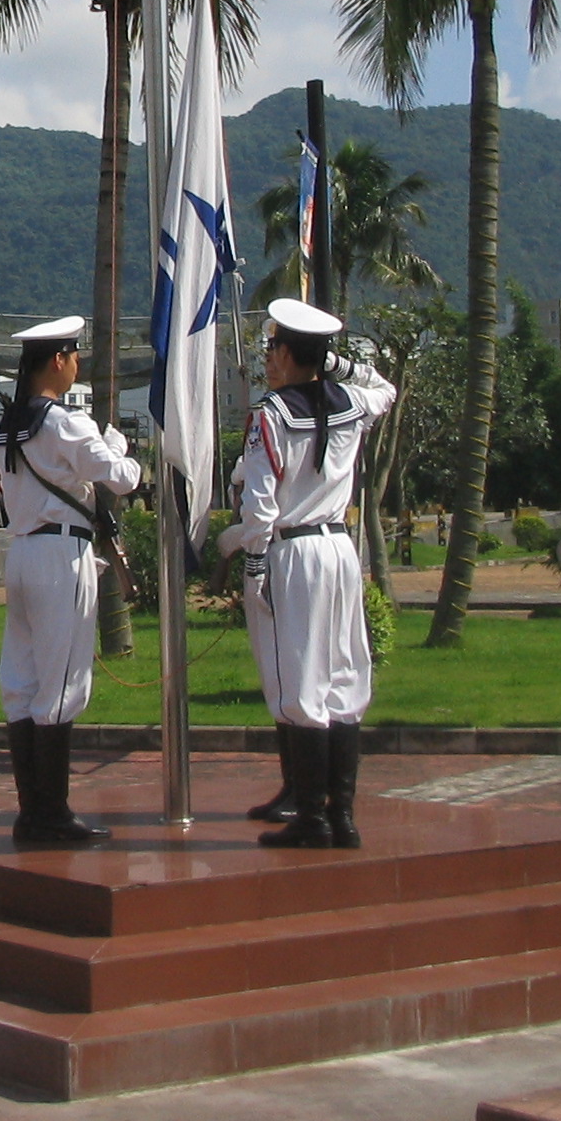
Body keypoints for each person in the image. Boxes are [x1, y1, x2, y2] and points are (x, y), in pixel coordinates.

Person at [219, 298, 396, 850]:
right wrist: (337, 364)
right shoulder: (353, 403)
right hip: (339, 548)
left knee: (299, 682)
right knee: (344, 677)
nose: (268, 355)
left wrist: (248, 561)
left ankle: (313, 818)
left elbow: (260, 509)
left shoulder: (271, 414)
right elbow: (385, 388)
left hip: (292, 552)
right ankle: (342, 816)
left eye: (274, 346)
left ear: (288, 353)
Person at [0, 317, 141, 845]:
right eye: (75, 356)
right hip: (61, 554)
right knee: (61, 683)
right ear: (57, 361)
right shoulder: (65, 422)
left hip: (23, 552)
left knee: (22, 682)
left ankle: (31, 811)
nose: (77, 364)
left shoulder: (11, 424)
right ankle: (51, 812)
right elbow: (122, 478)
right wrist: (116, 446)